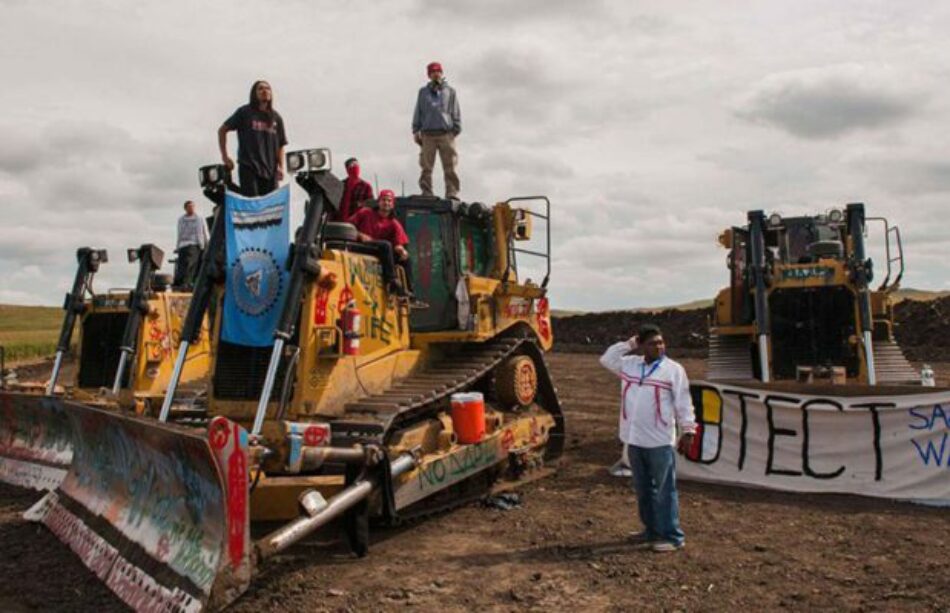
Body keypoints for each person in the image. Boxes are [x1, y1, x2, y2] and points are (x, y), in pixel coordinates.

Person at [599, 324, 697, 553]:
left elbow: (683, 402)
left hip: (660, 440)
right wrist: (629, 344)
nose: (659, 347)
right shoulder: (630, 365)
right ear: (642, 346)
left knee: (665, 490)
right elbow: (606, 358)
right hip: (634, 440)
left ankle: (673, 536)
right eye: (653, 343)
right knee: (643, 489)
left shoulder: (673, 370)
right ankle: (651, 530)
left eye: (661, 342)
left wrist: (688, 430)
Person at [218, 80, 288, 196]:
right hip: (249, 167)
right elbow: (222, 130)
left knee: (269, 208)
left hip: (270, 171)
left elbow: (280, 145)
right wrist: (225, 157)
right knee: (253, 205)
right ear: (254, 93)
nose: (264, 91)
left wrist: (281, 167)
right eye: (260, 88)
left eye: (267, 88)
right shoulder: (244, 112)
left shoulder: (276, 118)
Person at [411, 61, 461, 200]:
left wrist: (455, 129)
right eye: (432, 72)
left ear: (442, 72)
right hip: (428, 134)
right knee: (426, 166)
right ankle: (427, 192)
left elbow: (455, 110)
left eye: (438, 71)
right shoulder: (423, 92)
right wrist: (416, 130)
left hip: (446, 133)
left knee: (450, 166)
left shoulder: (450, 91)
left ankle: (452, 192)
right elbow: (418, 111)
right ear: (429, 75)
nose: (436, 74)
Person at [348, 189, 411, 296]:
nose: (386, 203)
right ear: (379, 202)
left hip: (380, 251)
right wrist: (360, 235)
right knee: (386, 245)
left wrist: (401, 251)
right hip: (360, 246)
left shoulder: (394, 223)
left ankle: (409, 292)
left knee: (405, 259)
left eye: (389, 201)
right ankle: (391, 280)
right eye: (384, 200)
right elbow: (348, 226)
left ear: (392, 204)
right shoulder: (365, 213)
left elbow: (398, 244)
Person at [173, 200, 209, 289]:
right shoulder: (181, 219)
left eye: (193, 206)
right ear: (185, 208)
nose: (191, 208)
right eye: (189, 207)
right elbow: (179, 233)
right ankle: (180, 282)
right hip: (183, 244)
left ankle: (188, 282)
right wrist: (177, 246)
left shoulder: (199, 218)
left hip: (195, 243)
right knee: (182, 264)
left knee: (192, 264)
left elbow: (205, 231)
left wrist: (207, 243)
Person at [333, 157, 374, 222]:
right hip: (340, 221)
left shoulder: (366, 186)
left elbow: (370, 205)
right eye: (352, 165)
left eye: (357, 164)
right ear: (347, 169)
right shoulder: (341, 185)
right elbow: (334, 204)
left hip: (359, 222)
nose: (355, 167)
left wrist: (360, 205)